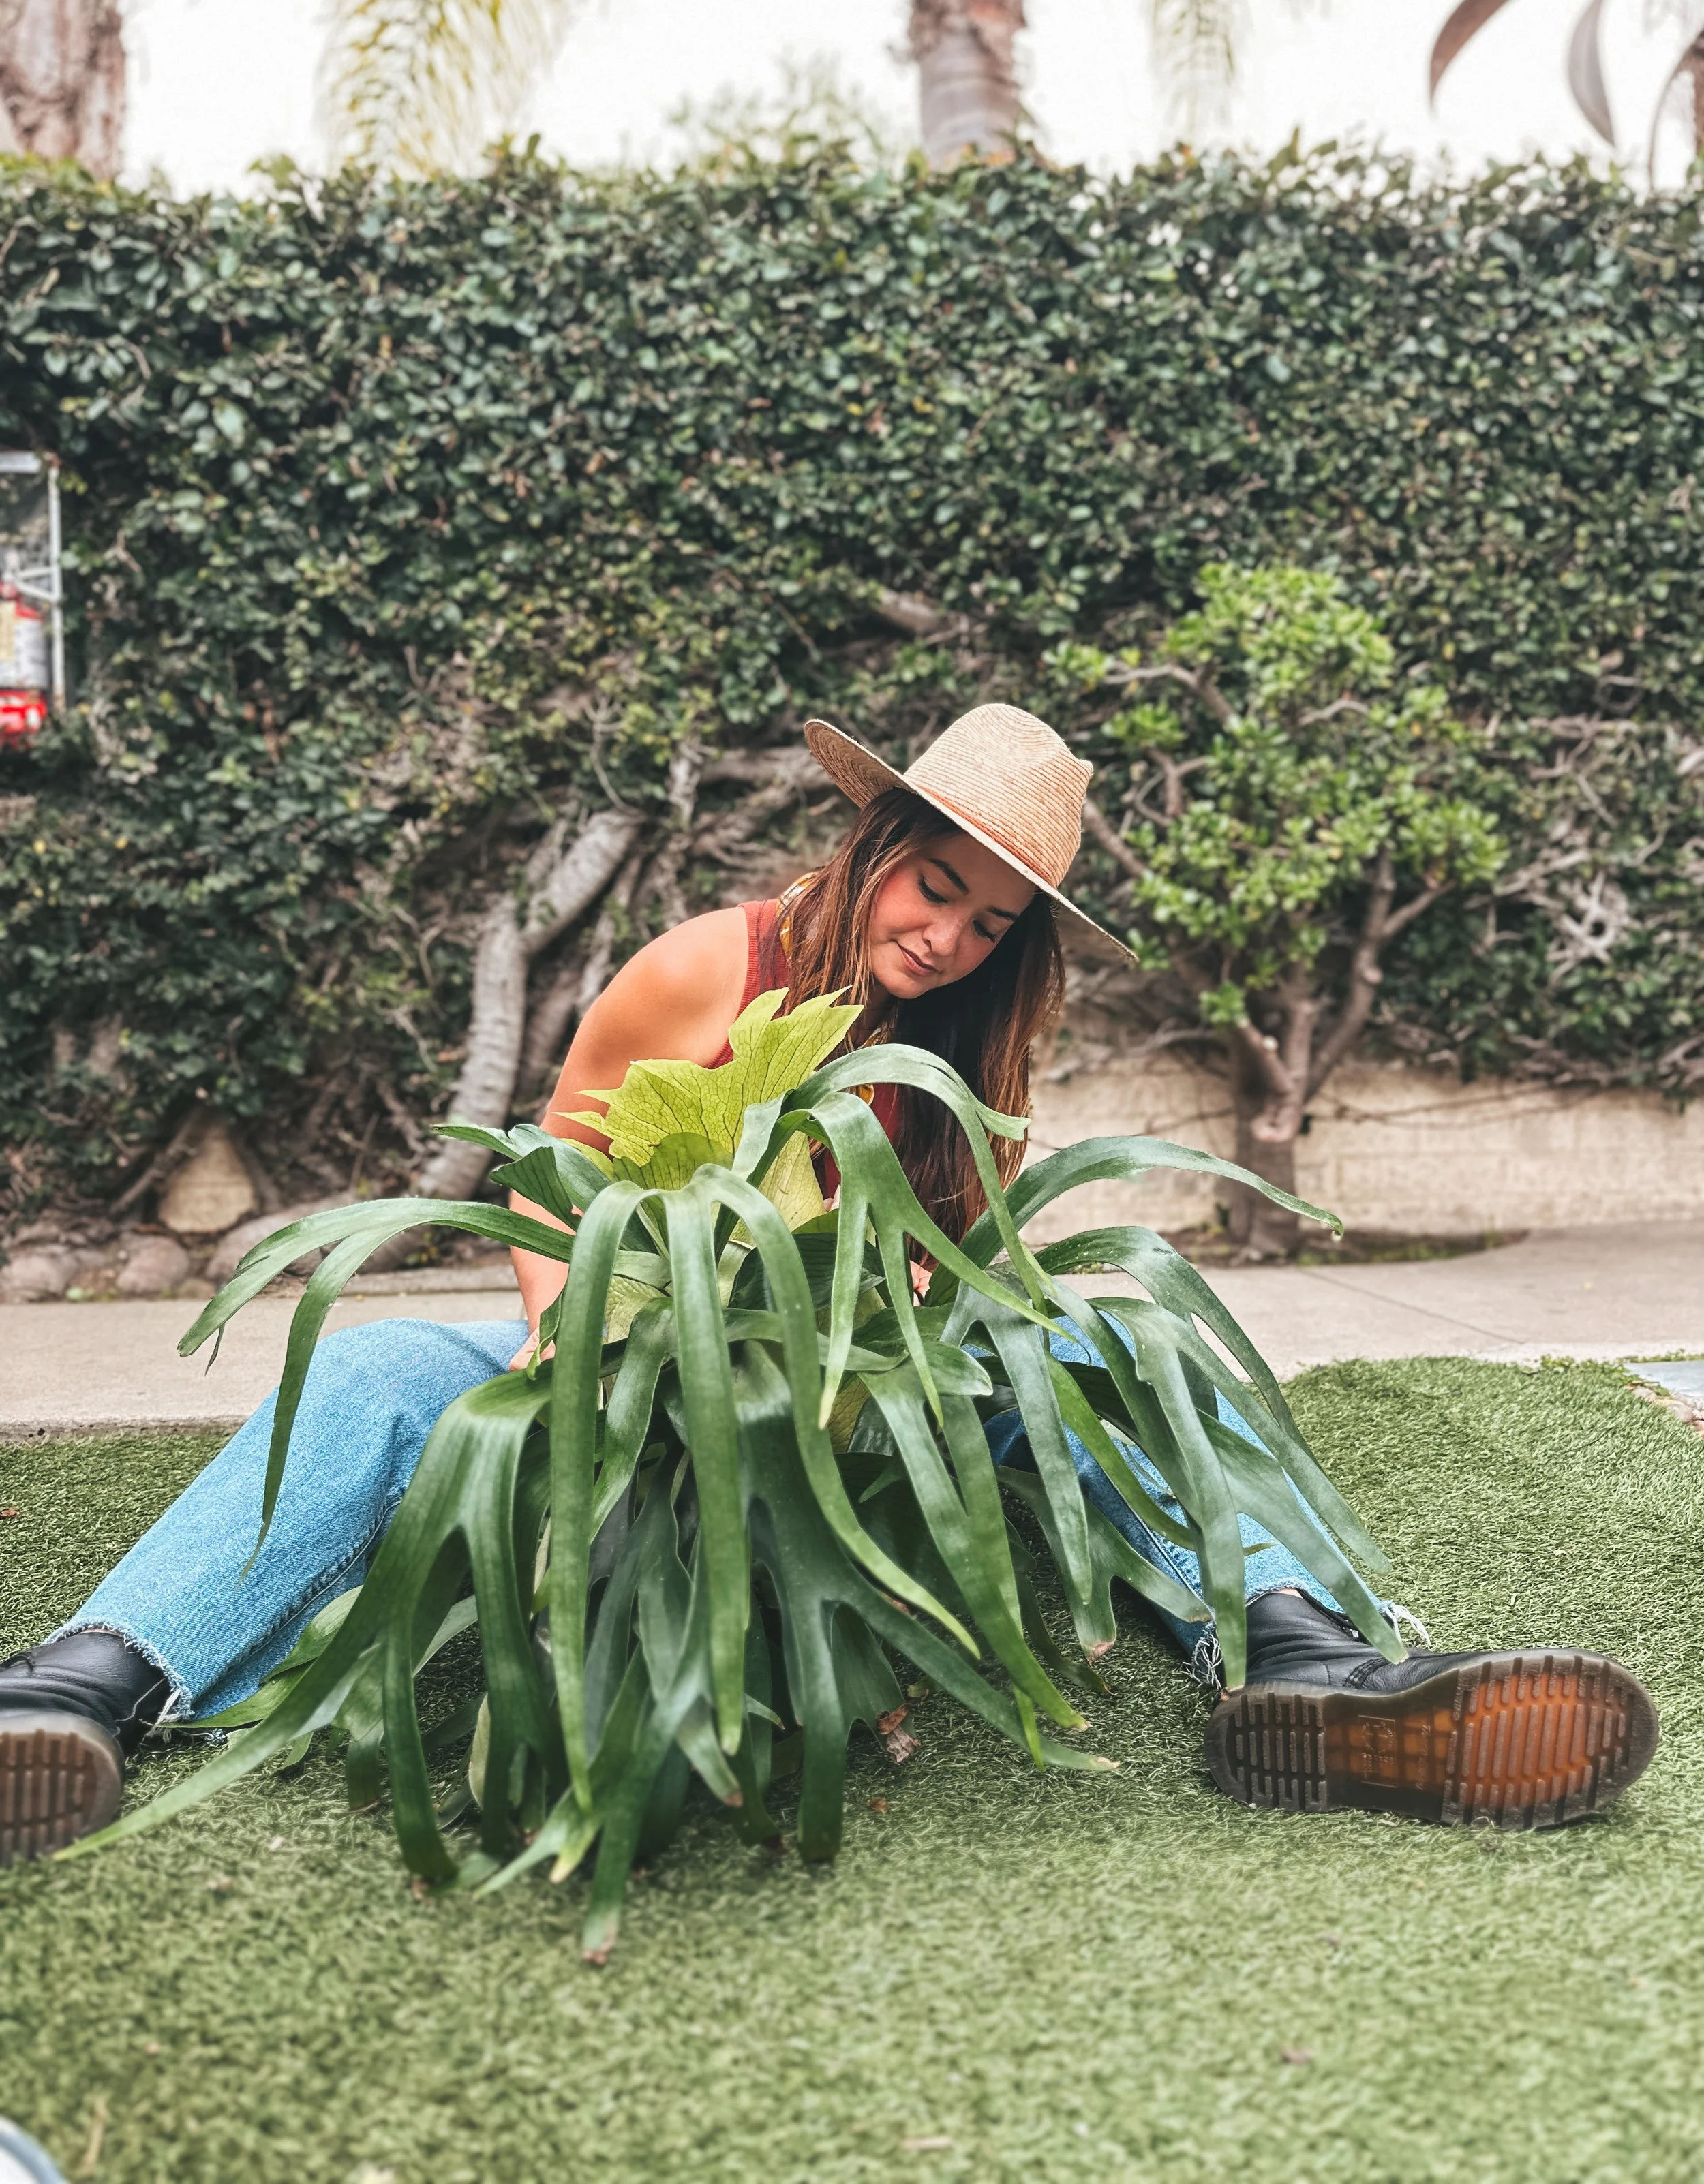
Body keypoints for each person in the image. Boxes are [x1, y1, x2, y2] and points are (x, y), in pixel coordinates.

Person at [0, 705, 1658, 1865]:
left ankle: (1302, 1666)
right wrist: (552, 1348)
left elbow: (966, 1276)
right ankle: (81, 1694)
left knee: (1098, 1345)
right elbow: (543, 1185)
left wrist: (945, 1374)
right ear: (873, 844)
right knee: (372, 1382)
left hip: (851, 1414)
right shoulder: (702, 969)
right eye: (934, 886)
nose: (946, 937)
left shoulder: (962, 1064)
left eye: (988, 923)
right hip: (623, 1367)